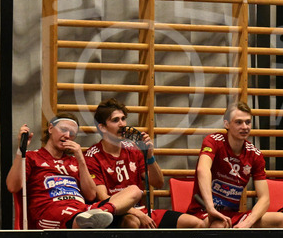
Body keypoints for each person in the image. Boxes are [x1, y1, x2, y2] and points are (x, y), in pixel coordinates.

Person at [5, 115, 142, 229]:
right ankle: (92, 220)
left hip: (82, 209)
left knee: (134, 191)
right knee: (82, 221)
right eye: (63, 130)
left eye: (72, 134)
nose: (67, 135)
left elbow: (90, 195)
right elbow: (12, 186)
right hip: (50, 211)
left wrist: (81, 159)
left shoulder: (74, 161)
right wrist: (20, 151)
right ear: (51, 128)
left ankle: (100, 214)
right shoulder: (31, 157)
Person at [84, 98, 203, 229]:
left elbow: (158, 183)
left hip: (141, 210)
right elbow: (103, 198)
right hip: (117, 213)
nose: (122, 124)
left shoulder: (132, 148)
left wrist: (150, 157)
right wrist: (137, 214)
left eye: (123, 119)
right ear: (102, 127)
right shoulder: (93, 156)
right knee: (132, 222)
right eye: (115, 120)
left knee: (195, 223)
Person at [186, 102, 283, 229]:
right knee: (220, 225)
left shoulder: (255, 154)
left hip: (232, 215)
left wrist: (247, 223)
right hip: (204, 211)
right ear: (226, 124)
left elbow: (264, 199)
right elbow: (203, 169)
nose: (245, 127)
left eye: (248, 122)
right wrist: (210, 208)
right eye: (238, 122)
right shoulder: (213, 141)